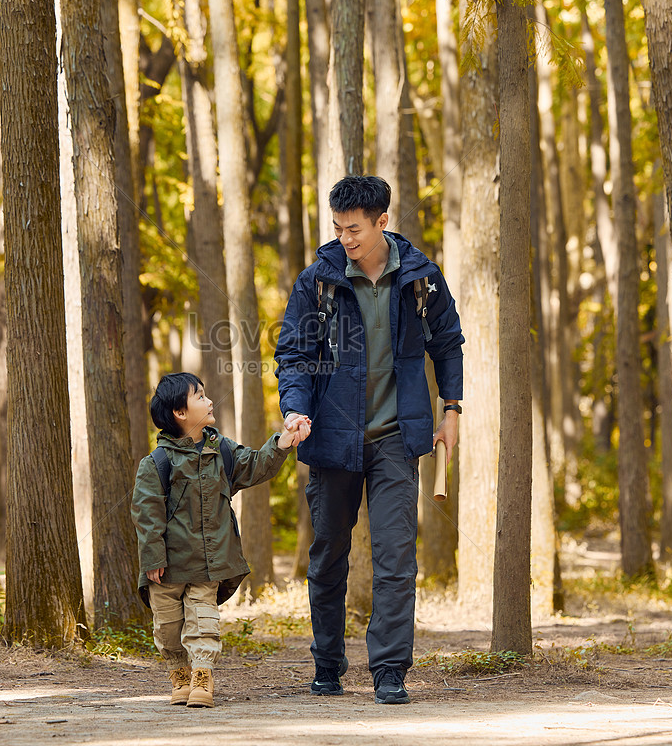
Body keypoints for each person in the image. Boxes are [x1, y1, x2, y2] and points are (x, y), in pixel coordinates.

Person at [275, 175, 464, 704]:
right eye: (337, 228)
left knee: (396, 558)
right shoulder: (319, 280)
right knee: (329, 554)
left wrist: (451, 410)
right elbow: (292, 355)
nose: (345, 239)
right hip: (332, 439)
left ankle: (389, 671)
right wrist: (296, 409)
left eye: (354, 229)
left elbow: (448, 345)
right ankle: (328, 664)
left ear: (383, 221)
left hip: (397, 438)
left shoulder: (421, 279)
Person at [131, 372, 311, 709]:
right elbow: (146, 512)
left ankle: (202, 677)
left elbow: (256, 465)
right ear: (179, 413)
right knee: (168, 630)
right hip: (167, 568)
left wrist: (282, 442)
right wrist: (153, 557)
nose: (209, 400)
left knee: (203, 623)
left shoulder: (222, 452)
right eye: (199, 396)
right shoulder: (156, 463)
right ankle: (179, 674)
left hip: (207, 563)